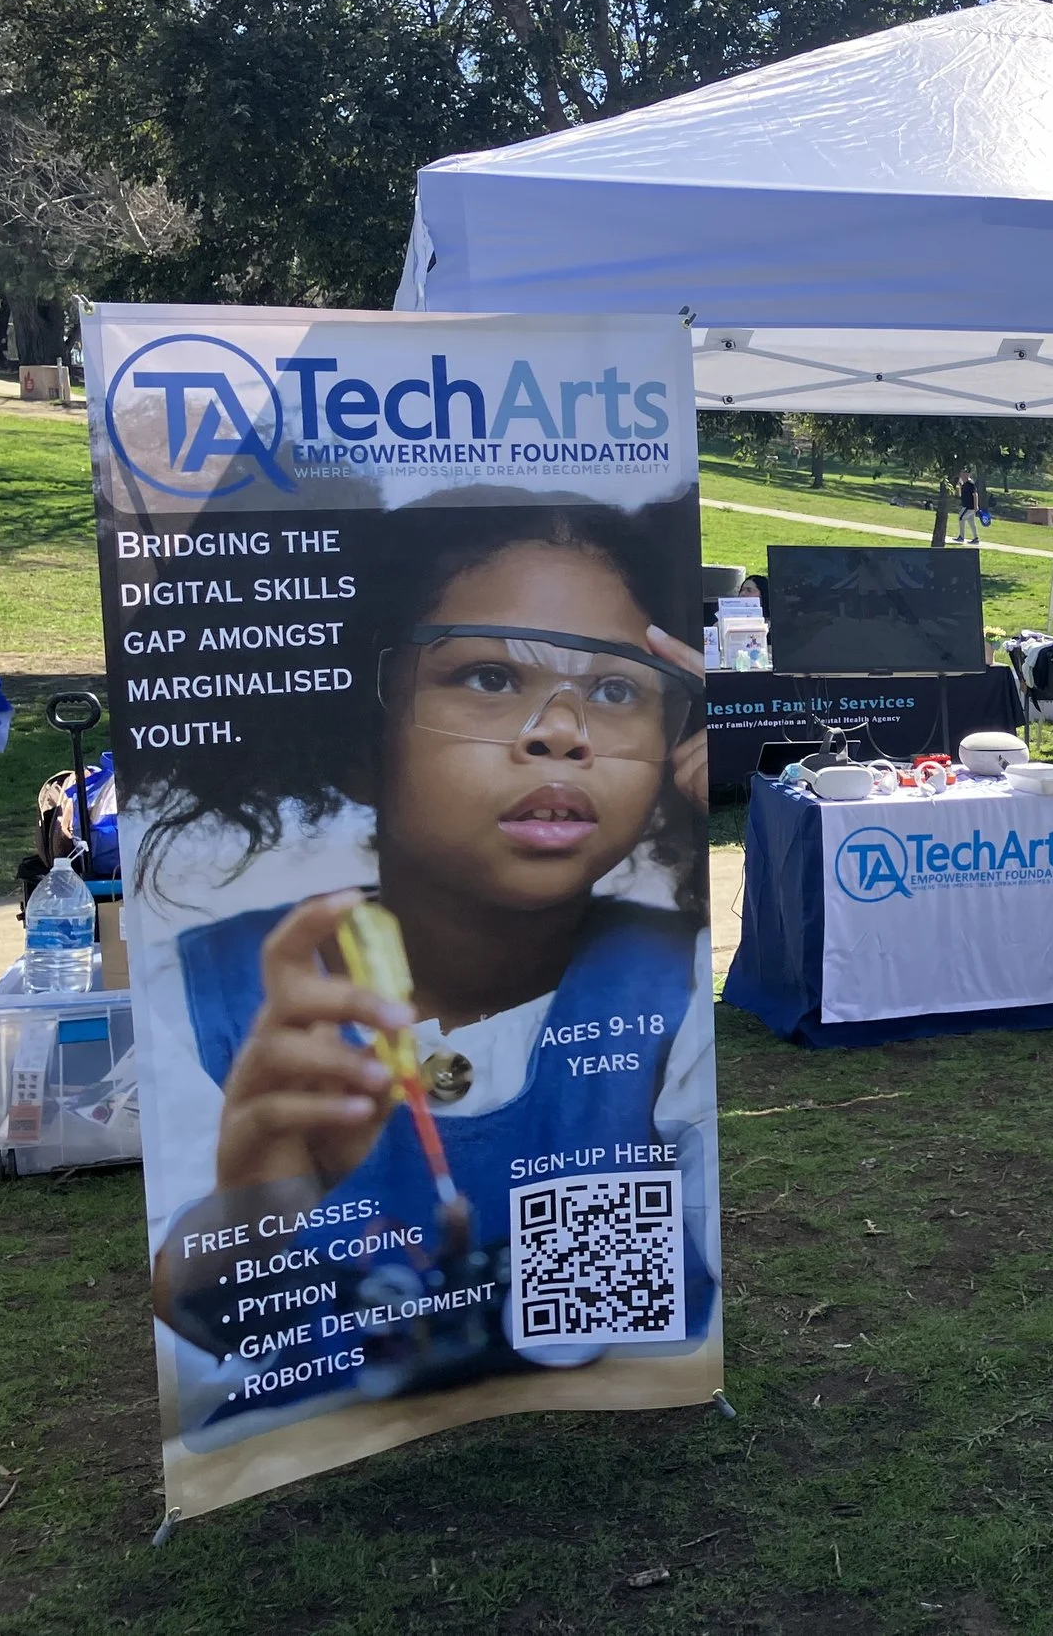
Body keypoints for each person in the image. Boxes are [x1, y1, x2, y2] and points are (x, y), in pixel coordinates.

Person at [144, 496, 716, 1431]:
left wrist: (711, 817)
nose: (561, 730)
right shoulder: (214, 1001)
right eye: (488, 674)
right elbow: (200, 1350)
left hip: (582, 1455)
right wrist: (259, 1201)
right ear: (359, 736)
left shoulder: (676, 990)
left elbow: (619, 1332)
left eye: (618, 691)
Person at [956, 469, 981, 543]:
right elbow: (960, 494)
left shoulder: (970, 484)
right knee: (971, 522)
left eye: (963, 473)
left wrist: (976, 506)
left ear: (967, 474)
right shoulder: (964, 484)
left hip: (969, 506)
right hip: (967, 506)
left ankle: (961, 536)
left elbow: (975, 495)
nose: (961, 475)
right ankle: (976, 538)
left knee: (961, 517)